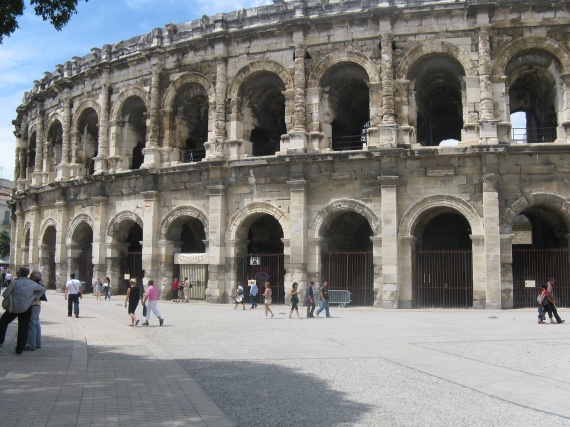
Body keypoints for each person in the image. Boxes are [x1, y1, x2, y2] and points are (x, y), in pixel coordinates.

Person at [0, 266, 46, 354]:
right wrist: (34, 298)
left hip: (14, 307)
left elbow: (5, 294)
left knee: (3, 322)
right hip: (26, 307)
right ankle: (19, 349)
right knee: (23, 327)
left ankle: (1, 340)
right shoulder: (32, 283)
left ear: (19, 274)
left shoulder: (14, 283)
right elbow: (42, 290)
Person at [25, 270, 46, 351]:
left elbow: (42, 291)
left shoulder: (35, 283)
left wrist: (34, 298)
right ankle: (37, 343)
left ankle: (31, 345)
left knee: (32, 325)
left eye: (31, 276)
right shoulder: (40, 282)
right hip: (37, 305)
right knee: (36, 324)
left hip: (33, 305)